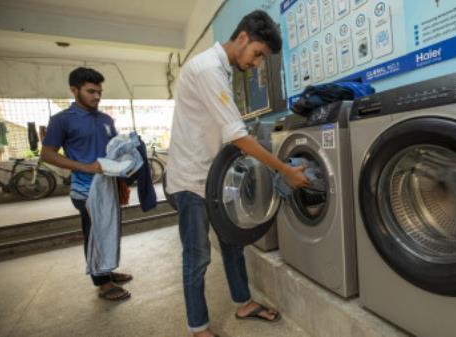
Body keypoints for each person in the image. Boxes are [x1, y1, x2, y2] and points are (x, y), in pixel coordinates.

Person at [166, 10, 309, 337]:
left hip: (215, 175)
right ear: (242, 38)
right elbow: (237, 135)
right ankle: (198, 328)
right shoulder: (207, 70)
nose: (258, 64)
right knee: (198, 256)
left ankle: (243, 302)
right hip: (192, 179)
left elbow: (227, 129)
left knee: (232, 242)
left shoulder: (221, 70)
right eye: (258, 54)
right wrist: (284, 170)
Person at [41, 67, 133, 301]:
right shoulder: (61, 120)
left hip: (109, 186)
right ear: (74, 90)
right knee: (95, 234)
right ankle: (102, 283)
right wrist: (86, 167)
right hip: (85, 189)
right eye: (91, 91)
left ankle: (107, 269)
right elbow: (48, 154)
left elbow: (112, 149)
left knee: (109, 231)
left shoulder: (105, 119)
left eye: (99, 92)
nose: (97, 97)